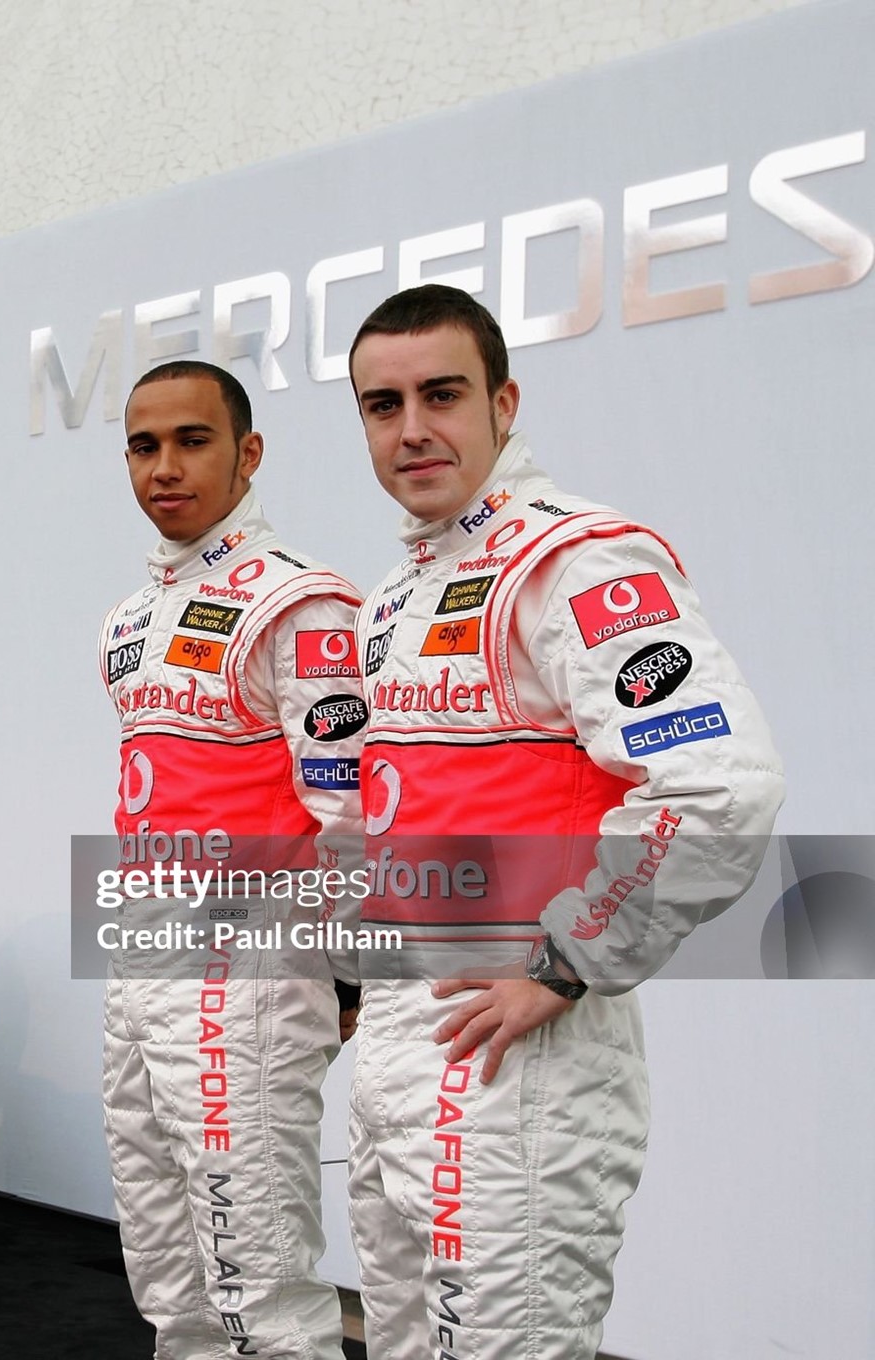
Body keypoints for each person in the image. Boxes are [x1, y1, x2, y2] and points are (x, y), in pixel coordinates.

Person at [341, 284, 784, 1359]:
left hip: (520, 1068)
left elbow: (719, 786)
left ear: (504, 400)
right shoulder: (395, 596)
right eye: (380, 404)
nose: (411, 430)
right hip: (405, 1048)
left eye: (440, 394)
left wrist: (565, 958)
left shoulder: (578, 562)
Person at [100, 360, 363, 1359]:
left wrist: (347, 972)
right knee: (167, 1270)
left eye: (192, 440)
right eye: (143, 444)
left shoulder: (301, 601)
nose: (164, 466)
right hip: (140, 958)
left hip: (248, 970)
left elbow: (349, 809)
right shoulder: (126, 619)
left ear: (247, 452)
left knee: (259, 1276)